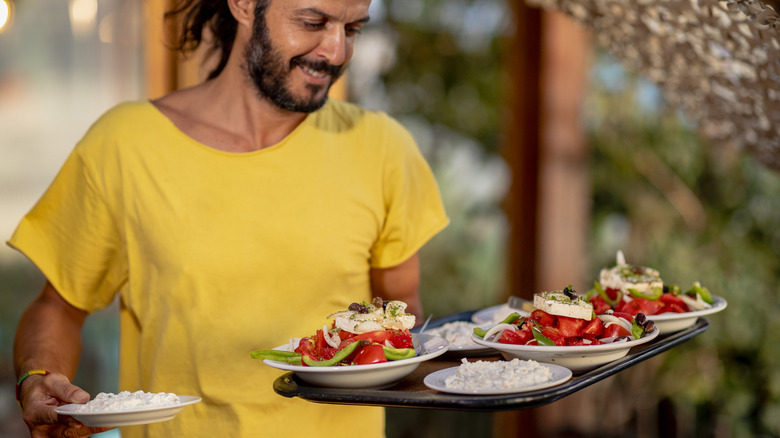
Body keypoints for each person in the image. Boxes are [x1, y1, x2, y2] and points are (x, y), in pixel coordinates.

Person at [9, 0, 449, 436]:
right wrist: (37, 378)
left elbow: (402, 316)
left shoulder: (383, 149)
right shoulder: (125, 144)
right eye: (313, 22)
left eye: (352, 29)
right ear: (242, 5)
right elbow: (59, 306)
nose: (335, 52)